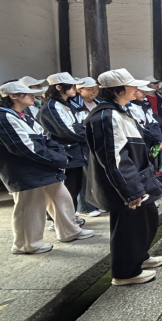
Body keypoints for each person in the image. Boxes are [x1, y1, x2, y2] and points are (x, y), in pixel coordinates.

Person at [0, 81, 93, 254]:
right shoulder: (2, 119)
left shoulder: (21, 115)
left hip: (42, 168)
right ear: (13, 96)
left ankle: (69, 231)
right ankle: (26, 245)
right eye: (28, 93)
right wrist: (59, 159)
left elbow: (45, 139)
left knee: (61, 199)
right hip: (24, 172)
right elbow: (26, 149)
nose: (33, 96)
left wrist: (61, 155)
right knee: (30, 208)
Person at [84, 69, 162, 285]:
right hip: (125, 183)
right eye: (132, 85)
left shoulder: (119, 111)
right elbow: (115, 158)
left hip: (137, 178)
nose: (136, 89)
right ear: (117, 90)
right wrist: (131, 191)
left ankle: (140, 257)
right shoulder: (106, 116)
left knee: (146, 219)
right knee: (128, 228)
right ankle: (125, 273)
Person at [38, 72, 88, 216]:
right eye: (71, 86)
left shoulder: (68, 104)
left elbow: (81, 124)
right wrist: (85, 133)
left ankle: (70, 217)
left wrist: (82, 130)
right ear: (58, 87)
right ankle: (58, 219)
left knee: (74, 188)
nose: (74, 89)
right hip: (64, 153)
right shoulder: (51, 106)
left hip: (76, 152)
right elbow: (66, 131)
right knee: (65, 189)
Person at [72, 77, 103, 217]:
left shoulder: (98, 103)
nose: (94, 92)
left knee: (97, 174)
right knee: (85, 175)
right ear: (79, 90)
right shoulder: (74, 105)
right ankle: (84, 207)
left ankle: (98, 202)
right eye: (90, 89)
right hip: (83, 143)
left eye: (96, 89)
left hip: (98, 141)